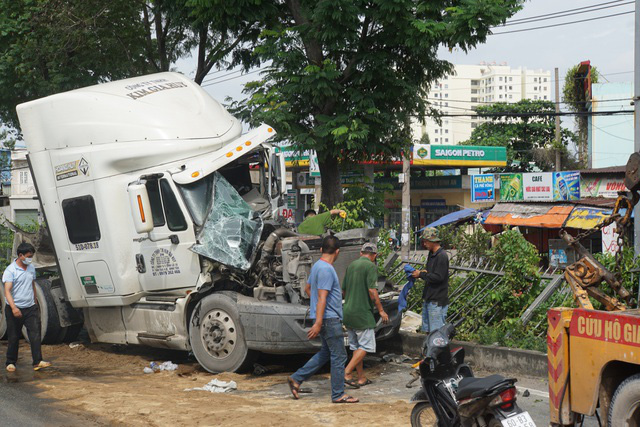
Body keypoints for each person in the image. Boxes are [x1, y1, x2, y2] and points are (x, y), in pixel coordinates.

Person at [287, 236, 358, 403]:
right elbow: (322, 297)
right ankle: (338, 394)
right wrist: (319, 320)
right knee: (339, 356)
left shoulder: (318, 266)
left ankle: (297, 378)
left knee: (327, 352)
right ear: (338, 252)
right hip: (329, 318)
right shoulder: (327, 269)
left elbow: (308, 288)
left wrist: (317, 309)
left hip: (324, 317)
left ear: (321, 250)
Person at [342, 243, 389, 388]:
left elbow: (343, 290)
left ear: (361, 253)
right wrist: (381, 310)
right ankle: (347, 372)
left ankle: (361, 377)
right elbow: (372, 291)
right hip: (362, 313)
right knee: (366, 346)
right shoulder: (371, 267)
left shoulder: (351, 266)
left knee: (357, 347)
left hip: (348, 312)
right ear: (374, 255)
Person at [4, 242, 51, 372]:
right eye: (28, 256)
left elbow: (32, 284)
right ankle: (10, 362)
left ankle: (37, 361)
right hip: (15, 308)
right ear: (20, 255)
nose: (30, 258)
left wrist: (35, 301)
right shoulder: (11, 270)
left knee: (35, 334)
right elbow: (7, 291)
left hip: (30, 307)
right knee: (14, 336)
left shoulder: (31, 268)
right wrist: (14, 308)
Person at [411, 228, 449, 333]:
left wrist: (422, 274)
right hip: (429, 298)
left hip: (436, 300)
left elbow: (438, 277)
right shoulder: (431, 254)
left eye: (426, 241)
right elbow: (430, 272)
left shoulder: (441, 256)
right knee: (428, 332)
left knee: (436, 334)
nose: (424, 244)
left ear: (433, 241)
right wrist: (423, 273)